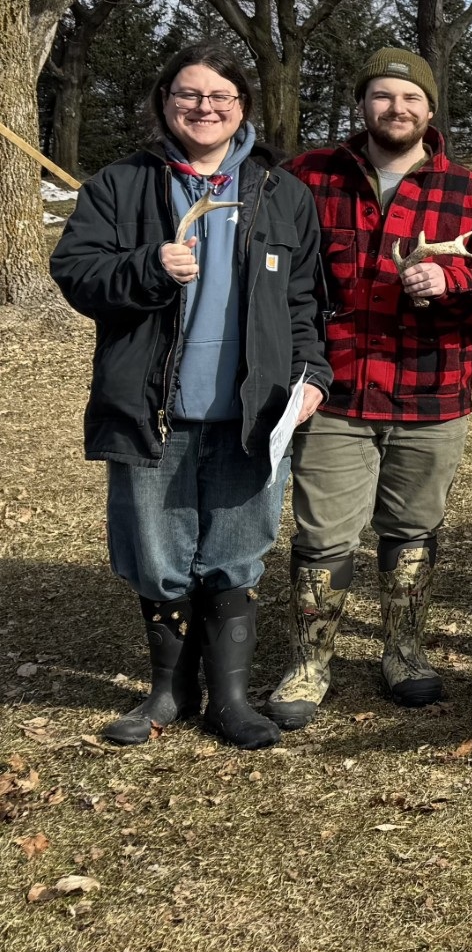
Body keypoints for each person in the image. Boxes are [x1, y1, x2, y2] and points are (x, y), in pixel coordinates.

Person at [50, 44, 329, 749]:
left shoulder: (280, 192)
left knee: (237, 553)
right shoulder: (121, 185)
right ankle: (169, 691)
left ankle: (230, 699)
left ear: (242, 108)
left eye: (220, 96)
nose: (203, 107)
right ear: (164, 101)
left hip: (251, 416)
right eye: (188, 93)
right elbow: (77, 273)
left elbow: (306, 304)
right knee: (155, 554)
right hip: (155, 410)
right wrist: (147, 264)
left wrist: (313, 377)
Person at [266, 48, 472, 729]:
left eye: (410, 98)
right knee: (324, 533)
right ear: (362, 104)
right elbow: (276, 270)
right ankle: (311, 659)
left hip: (432, 389)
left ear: (430, 111)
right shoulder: (307, 177)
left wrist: (451, 283)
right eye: (382, 96)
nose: (396, 109)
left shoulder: (467, 191)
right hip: (336, 388)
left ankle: (403, 648)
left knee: (413, 527)